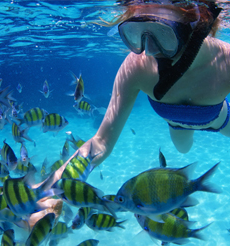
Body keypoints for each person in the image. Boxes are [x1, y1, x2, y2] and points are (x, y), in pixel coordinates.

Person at [44, 0, 230, 188]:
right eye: (137, 33)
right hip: (177, 127)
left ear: (197, 26)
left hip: (219, 119)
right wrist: (48, 190)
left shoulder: (226, 61)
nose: (149, 50)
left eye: (163, 33)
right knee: (183, 149)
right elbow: (101, 142)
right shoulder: (135, 67)